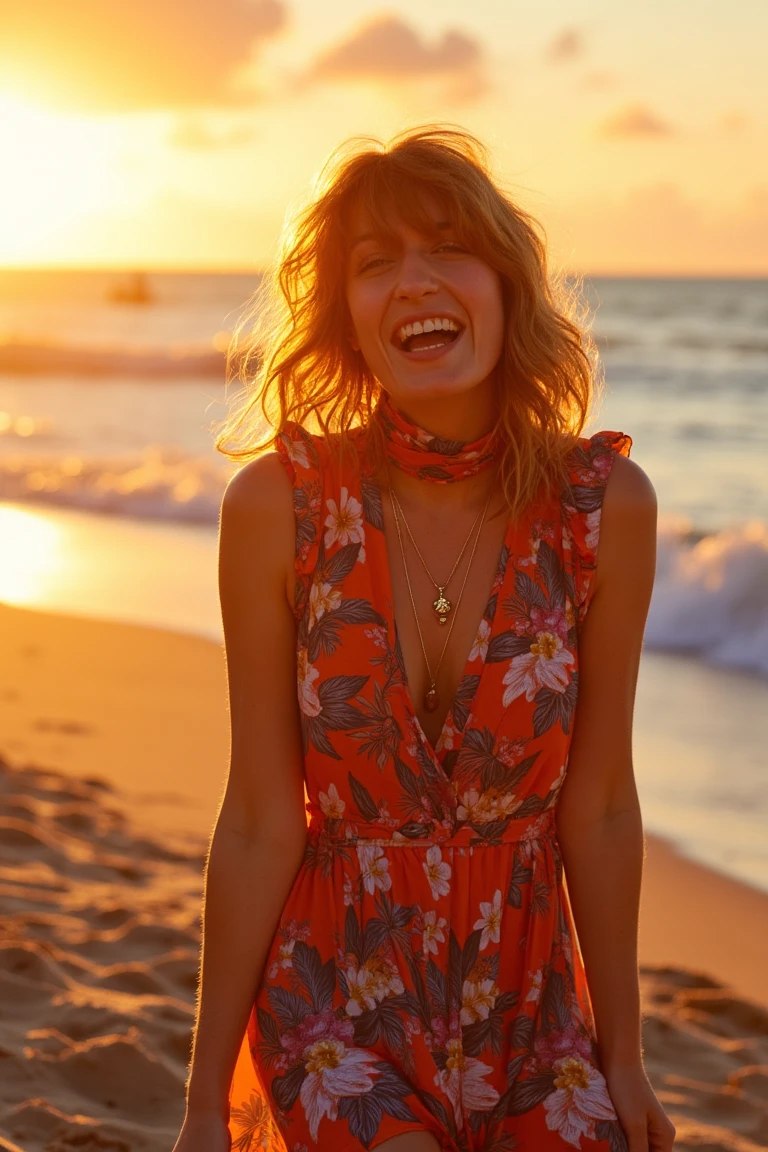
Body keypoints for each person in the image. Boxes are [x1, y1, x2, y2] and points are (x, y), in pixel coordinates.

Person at [172, 125, 671, 1152]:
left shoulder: (599, 508)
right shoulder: (282, 508)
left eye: (447, 248)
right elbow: (262, 819)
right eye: (374, 263)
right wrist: (201, 1101)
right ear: (347, 319)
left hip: (533, 1010)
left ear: (504, 285)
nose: (413, 283)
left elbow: (605, 804)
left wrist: (622, 1058)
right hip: (335, 997)